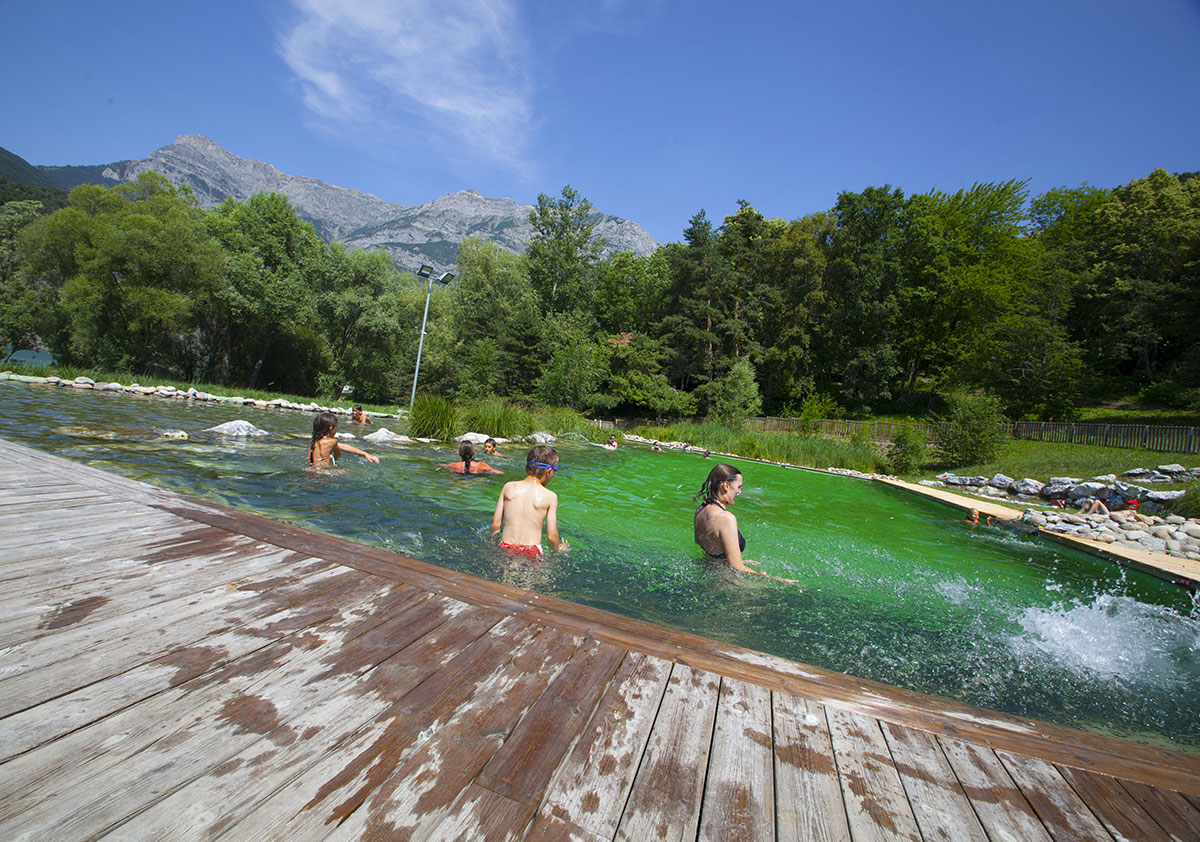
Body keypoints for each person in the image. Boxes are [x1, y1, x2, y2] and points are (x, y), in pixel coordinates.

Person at [693, 463, 796, 584]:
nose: (739, 491)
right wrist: (777, 580)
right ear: (726, 485)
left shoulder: (700, 510)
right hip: (725, 581)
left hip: (706, 573)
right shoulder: (726, 518)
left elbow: (710, 548)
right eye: (738, 487)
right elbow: (737, 568)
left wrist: (736, 560)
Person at [490, 444, 567, 558]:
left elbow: (495, 524)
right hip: (531, 552)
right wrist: (558, 550)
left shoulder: (508, 487)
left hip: (505, 547)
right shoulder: (550, 496)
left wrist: (494, 545)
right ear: (549, 471)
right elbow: (551, 537)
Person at [308, 411, 379, 467]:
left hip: (311, 472)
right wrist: (365, 454)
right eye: (336, 427)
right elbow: (343, 448)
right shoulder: (331, 442)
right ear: (331, 428)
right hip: (324, 475)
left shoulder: (313, 442)